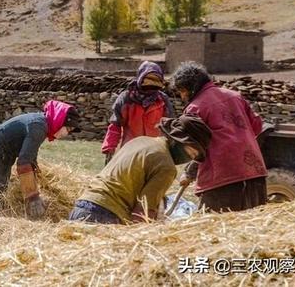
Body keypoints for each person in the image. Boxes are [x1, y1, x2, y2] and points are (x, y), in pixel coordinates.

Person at [70, 114, 212, 224]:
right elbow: (142, 212)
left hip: (82, 205)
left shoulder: (141, 141)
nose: (189, 157)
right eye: (191, 152)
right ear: (177, 140)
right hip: (105, 214)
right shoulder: (167, 167)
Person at [0, 100, 81, 220]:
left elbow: (30, 156)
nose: (66, 133)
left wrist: (38, 175)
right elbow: (23, 163)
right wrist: (32, 197)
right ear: (59, 120)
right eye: (68, 129)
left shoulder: (40, 123)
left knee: (1, 198)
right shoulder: (38, 127)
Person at [172, 61, 267, 212]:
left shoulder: (195, 108)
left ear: (190, 88)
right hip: (254, 172)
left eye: (182, 91)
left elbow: (198, 149)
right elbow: (257, 126)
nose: (182, 96)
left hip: (222, 180)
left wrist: (189, 173)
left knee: (216, 229)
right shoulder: (235, 96)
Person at [101, 61, 174, 165]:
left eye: (154, 87)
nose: (150, 90)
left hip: (154, 152)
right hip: (129, 151)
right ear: (140, 79)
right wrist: (109, 147)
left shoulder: (162, 100)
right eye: (147, 85)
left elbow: (169, 126)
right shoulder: (126, 98)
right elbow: (115, 125)